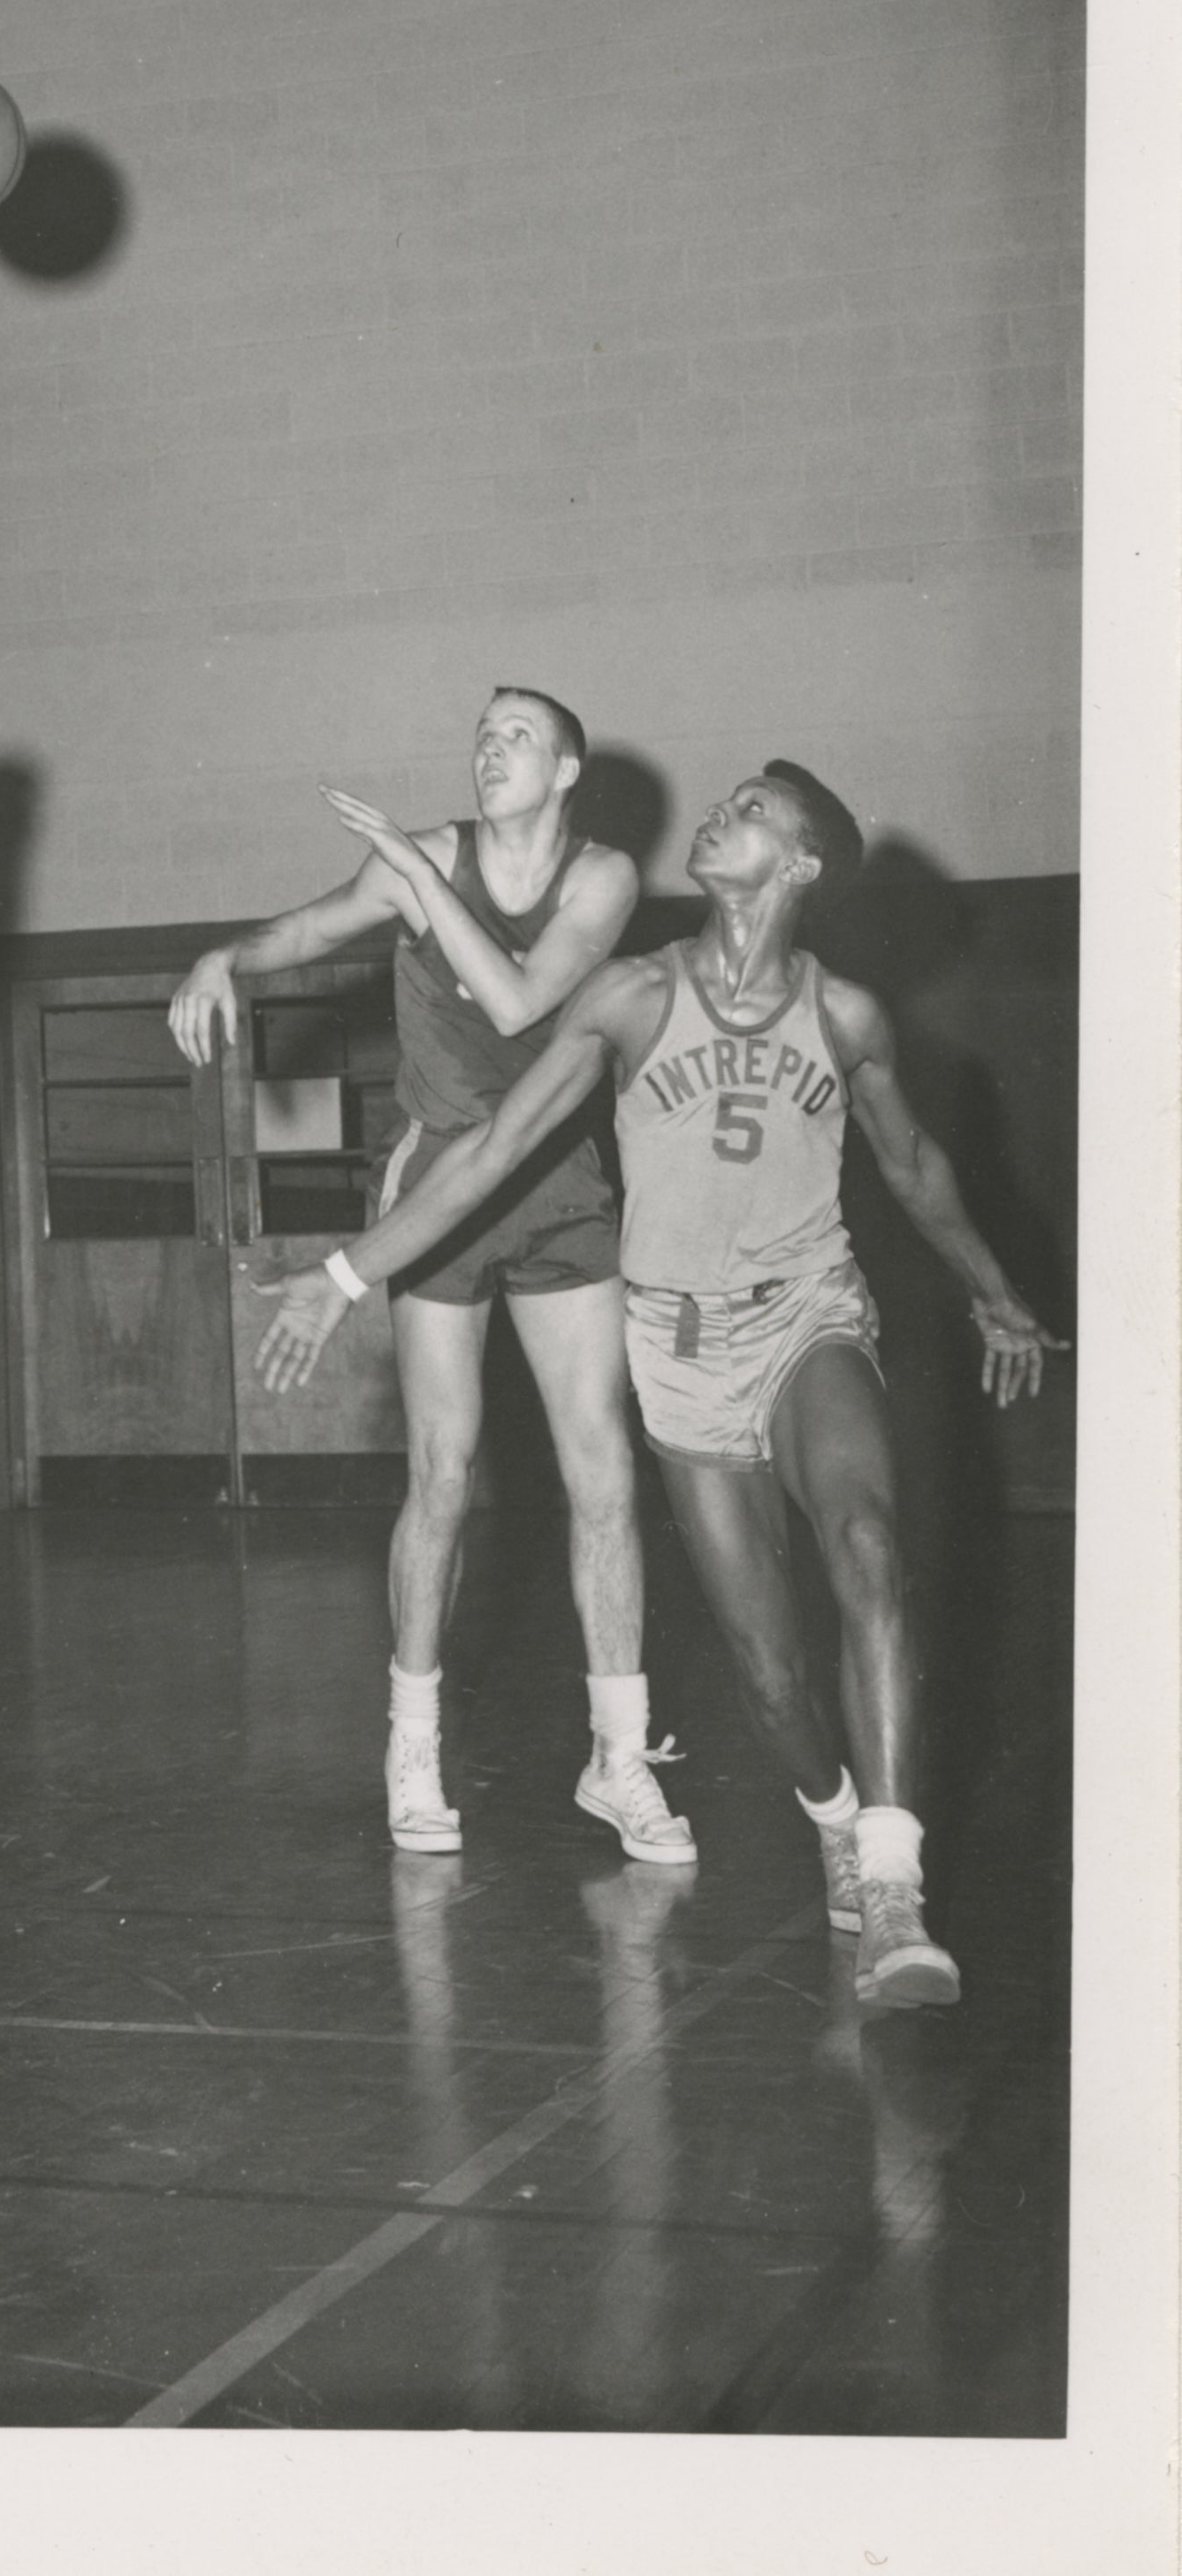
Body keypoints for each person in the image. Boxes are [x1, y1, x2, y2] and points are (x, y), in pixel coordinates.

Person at [254, 763, 1063, 2008]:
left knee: (865, 1540)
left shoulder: (843, 1016)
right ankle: (838, 1820)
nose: (718, 814)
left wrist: (997, 1293)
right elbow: (500, 1146)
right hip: (679, 1351)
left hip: (809, 1313)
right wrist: (347, 1276)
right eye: (726, 801)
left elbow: (913, 1164)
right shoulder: (631, 995)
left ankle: (893, 1885)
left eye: (748, 811)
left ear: (794, 865)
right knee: (769, 1672)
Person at [170, 690, 683, 1865]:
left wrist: (412, 868)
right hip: (438, 1198)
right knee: (441, 1472)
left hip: (557, 1189)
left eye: (516, 737)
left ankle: (619, 1755)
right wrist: (223, 957)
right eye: (482, 733)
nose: (488, 749)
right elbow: (306, 928)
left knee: (601, 1465)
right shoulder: (422, 861)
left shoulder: (600, 878)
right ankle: (412, 1741)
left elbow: (518, 1001)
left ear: (565, 772)